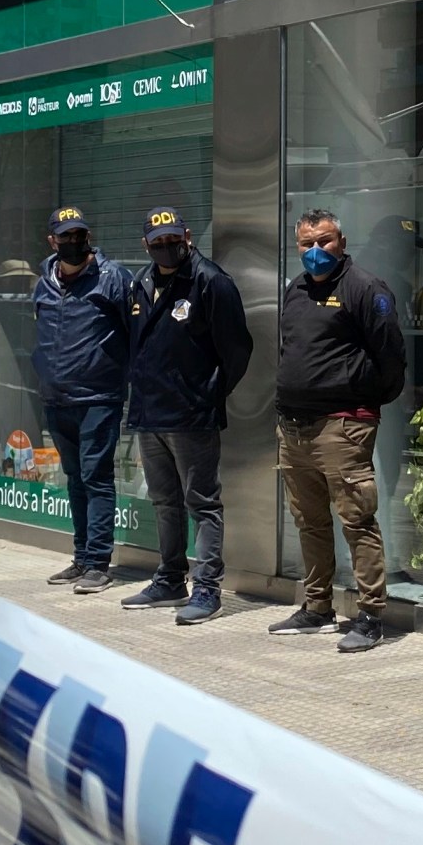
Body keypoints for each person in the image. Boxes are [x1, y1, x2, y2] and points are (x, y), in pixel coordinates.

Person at [272, 209, 408, 653]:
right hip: (294, 428)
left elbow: (391, 355)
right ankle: (317, 606)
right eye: (306, 244)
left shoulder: (364, 288)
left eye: (324, 242)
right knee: (308, 522)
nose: (315, 251)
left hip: (343, 425)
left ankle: (370, 614)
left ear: (342, 241)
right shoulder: (294, 290)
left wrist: (364, 404)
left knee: (356, 520)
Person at [118, 204, 254, 625]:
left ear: (188, 237)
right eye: (158, 243)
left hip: (192, 416)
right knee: (164, 502)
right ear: (146, 245)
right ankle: (170, 579)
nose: (166, 248)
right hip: (149, 414)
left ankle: (208, 589)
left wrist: (209, 394)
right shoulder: (140, 282)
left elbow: (237, 350)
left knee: (202, 504)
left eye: (173, 240)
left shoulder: (211, 281)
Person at [32, 205, 132, 594]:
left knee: (97, 477)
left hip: (99, 397)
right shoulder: (44, 281)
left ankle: (99, 562)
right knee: (74, 479)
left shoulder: (112, 279)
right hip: (57, 399)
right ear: (52, 241)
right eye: (66, 236)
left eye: (80, 235)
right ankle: (81, 557)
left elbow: (132, 333)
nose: (74, 242)